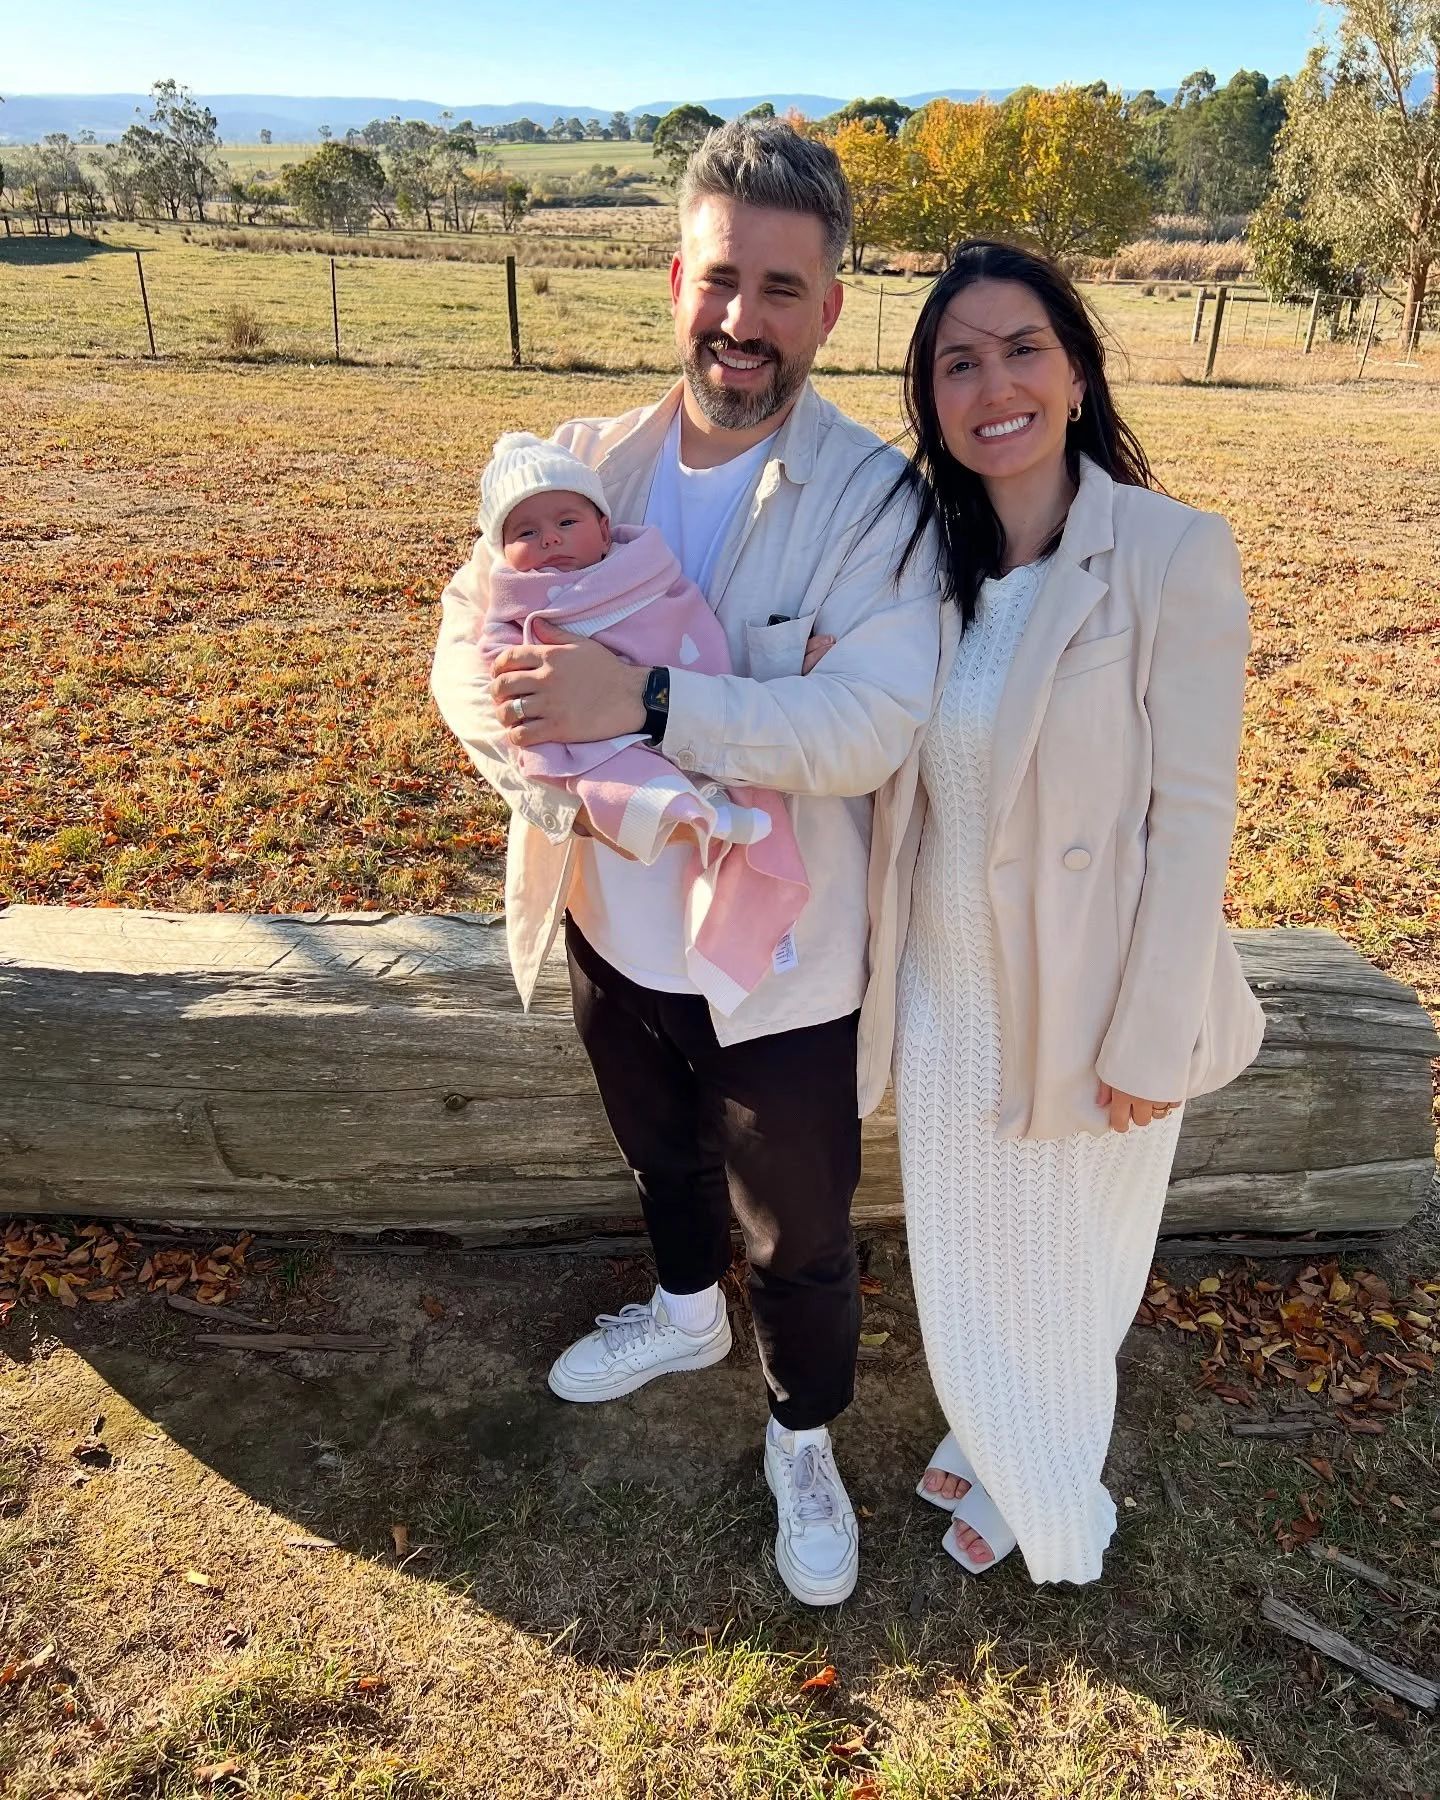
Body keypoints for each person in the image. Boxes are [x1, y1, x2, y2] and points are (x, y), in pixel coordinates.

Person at [430, 120, 942, 1607]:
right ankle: (679, 1311)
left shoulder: (877, 504)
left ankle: (802, 1432)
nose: (743, 319)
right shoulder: (582, 465)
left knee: (800, 1234)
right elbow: (464, 647)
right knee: (659, 1158)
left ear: (830, 306)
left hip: (785, 959)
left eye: (783, 288)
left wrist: (647, 704)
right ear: (675, 281)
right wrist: (558, 785)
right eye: (722, 278)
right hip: (611, 919)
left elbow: (870, 723)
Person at [864, 239, 1265, 1583]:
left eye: (1023, 349)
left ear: (1079, 372)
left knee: (1066, 1258)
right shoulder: (923, 563)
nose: (995, 387)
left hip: (1094, 992)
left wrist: (1149, 1036)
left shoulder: (1168, 552)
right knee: (975, 1256)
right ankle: (999, 1431)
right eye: (958, 363)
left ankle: (1047, 1490)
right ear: (931, 399)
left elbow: (1191, 819)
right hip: (947, 988)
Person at [475, 431, 809, 1013]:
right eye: (525, 533)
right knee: (617, 777)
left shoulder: (640, 568)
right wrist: (530, 693)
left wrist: (635, 689)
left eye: (566, 523)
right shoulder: (513, 599)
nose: (549, 538)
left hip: (678, 696)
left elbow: (676, 612)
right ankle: (698, 816)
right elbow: (484, 662)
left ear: (605, 530)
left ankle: (715, 806)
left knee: (702, 748)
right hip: (592, 777)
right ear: (501, 551)